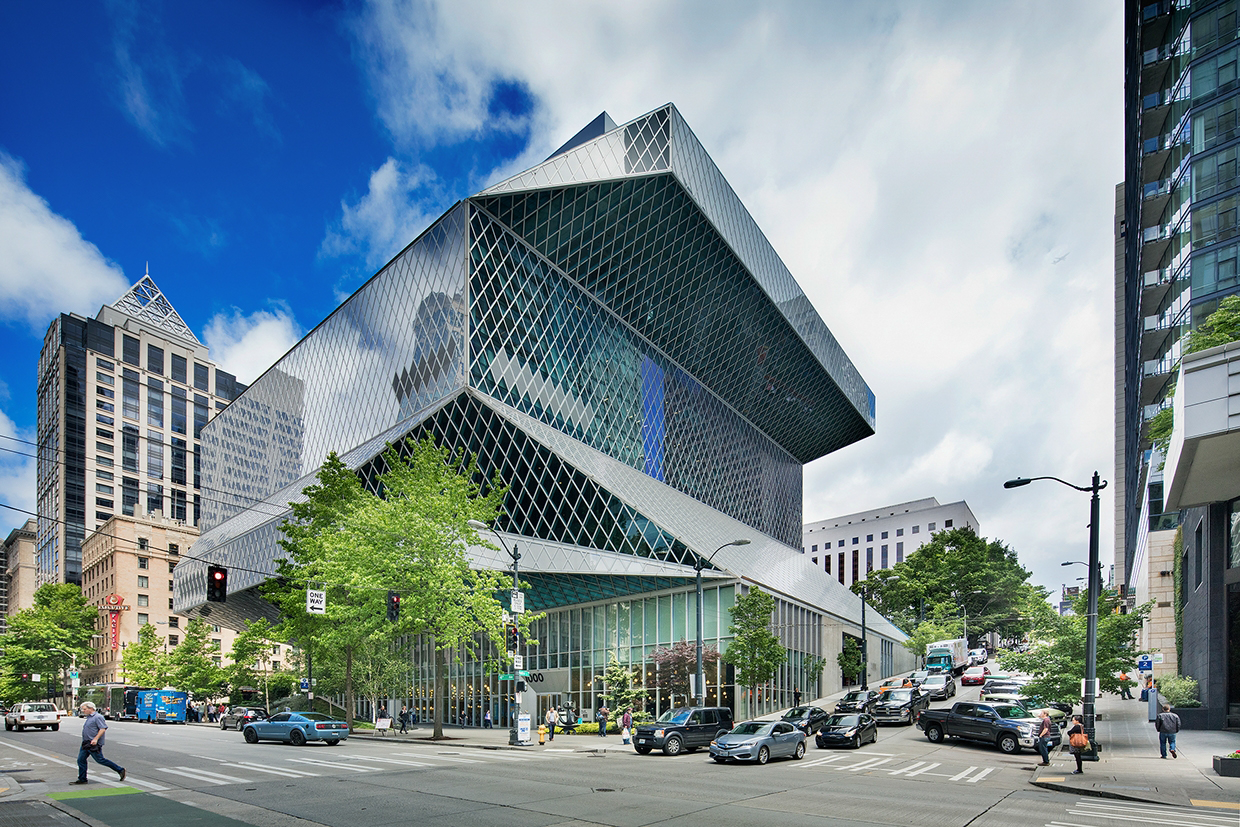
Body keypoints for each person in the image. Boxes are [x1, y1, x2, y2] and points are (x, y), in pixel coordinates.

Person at [72, 701, 125, 785]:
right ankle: (82, 779)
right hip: (86, 743)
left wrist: (96, 739)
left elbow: (102, 729)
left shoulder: (98, 717)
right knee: (81, 760)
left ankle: (120, 769)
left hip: (93, 743)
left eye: (84, 709)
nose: (83, 711)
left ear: (91, 708)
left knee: (100, 760)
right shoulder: (89, 717)